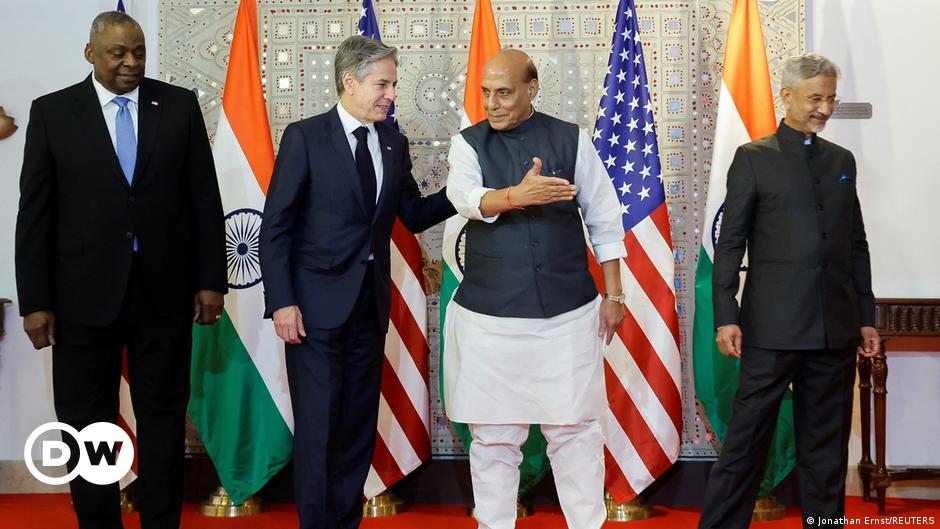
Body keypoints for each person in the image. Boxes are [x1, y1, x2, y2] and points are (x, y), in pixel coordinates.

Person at [14, 11, 227, 529]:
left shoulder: (177, 106)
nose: (131, 63)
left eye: (139, 52)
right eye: (118, 54)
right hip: (80, 302)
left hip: (164, 296)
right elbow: (34, 214)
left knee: (162, 421)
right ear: (91, 54)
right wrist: (35, 301)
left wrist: (210, 280)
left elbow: (204, 199)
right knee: (87, 426)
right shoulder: (53, 113)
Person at [259, 35, 455, 529]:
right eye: (382, 84)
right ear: (349, 81)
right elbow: (276, 225)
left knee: (355, 428)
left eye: (393, 84)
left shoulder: (393, 141)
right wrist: (282, 303)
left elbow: (412, 213)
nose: (391, 94)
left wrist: (469, 193)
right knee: (319, 428)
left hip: (369, 308)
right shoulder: (305, 137)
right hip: (313, 311)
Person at [442, 49, 627, 529]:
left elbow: (605, 218)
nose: (492, 103)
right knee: (495, 439)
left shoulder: (569, 139)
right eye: (485, 92)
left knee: (576, 432)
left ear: (532, 88)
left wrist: (614, 294)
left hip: (567, 315)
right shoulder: (467, 143)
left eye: (504, 92)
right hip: (489, 318)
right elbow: (463, 198)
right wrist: (514, 197)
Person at [698, 53, 880, 529]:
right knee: (745, 444)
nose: (824, 108)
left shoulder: (842, 161)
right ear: (787, 96)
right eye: (815, 97)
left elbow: (855, 244)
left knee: (826, 450)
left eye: (830, 98)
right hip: (771, 330)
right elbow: (730, 241)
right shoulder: (753, 158)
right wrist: (725, 314)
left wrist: (866, 317)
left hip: (835, 332)